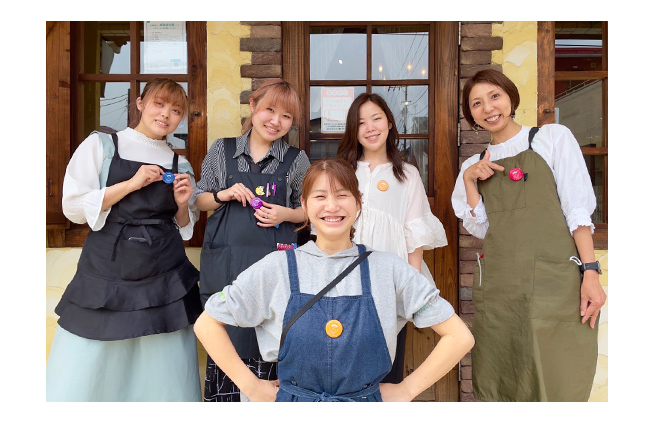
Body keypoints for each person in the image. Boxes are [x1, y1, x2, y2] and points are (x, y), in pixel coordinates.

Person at [194, 158, 474, 402]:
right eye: (320, 196)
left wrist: (406, 390)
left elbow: (459, 336)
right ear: (304, 205)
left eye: (342, 195)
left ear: (358, 202)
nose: (332, 206)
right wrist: (252, 387)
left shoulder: (389, 269)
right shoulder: (276, 268)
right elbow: (207, 324)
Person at [451, 69, 606, 402]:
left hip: (555, 281)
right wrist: (470, 181)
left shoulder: (551, 138)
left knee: (557, 368)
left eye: (494, 96)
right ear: (471, 115)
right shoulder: (474, 165)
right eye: (476, 103)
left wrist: (591, 272)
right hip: (502, 286)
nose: (488, 108)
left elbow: (577, 210)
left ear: (510, 97)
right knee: (507, 371)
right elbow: (484, 229)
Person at [46, 78, 203, 401]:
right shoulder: (102, 146)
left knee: (163, 359)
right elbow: (73, 207)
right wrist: (132, 183)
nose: (166, 114)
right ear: (140, 103)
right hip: (108, 265)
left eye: (176, 110)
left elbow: (184, 226)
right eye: (159, 104)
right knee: (90, 357)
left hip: (164, 270)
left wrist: (183, 203)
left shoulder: (180, 164)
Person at [193, 79, 310, 402]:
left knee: (273, 335)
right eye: (270, 110)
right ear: (253, 106)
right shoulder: (223, 149)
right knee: (226, 332)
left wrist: (286, 214)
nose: (276, 121)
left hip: (275, 265)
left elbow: (310, 210)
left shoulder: (296, 159)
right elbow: (199, 200)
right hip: (227, 263)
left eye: (286, 116)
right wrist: (224, 194)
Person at [336, 93, 448, 384]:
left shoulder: (407, 174)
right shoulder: (343, 172)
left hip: (390, 279)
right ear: (353, 130)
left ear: (389, 122)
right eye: (361, 122)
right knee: (342, 358)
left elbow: (414, 232)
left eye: (376, 118)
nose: (370, 128)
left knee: (387, 365)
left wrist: (410, 283)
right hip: (345, 277)